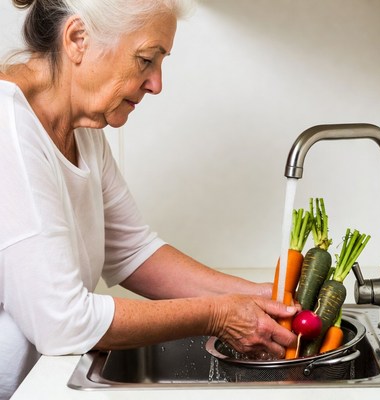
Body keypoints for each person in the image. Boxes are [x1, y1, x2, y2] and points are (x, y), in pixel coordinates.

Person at [0, 1, 298, 398]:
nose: (157, 83)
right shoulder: (8, 128)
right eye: (145, 60)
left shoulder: (81, 125)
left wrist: (259, 299)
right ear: (77, 40)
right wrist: (218, 314)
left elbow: (132, 251)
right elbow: (62, 322)